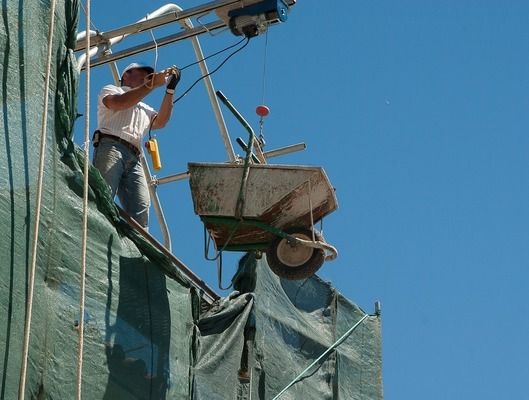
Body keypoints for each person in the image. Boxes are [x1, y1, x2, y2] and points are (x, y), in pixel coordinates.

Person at [93, 62, 180, 228]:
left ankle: (137, 248)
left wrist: (170, 91)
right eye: (141, 73)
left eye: (147, 75)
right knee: (103, 194)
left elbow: (161, 121)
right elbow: (120, 103)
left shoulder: (144, 108)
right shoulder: (112, 90)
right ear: (126, 75)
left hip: (134, 157)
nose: (145, 77)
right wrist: (152, 84)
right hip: (111, 146)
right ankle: (97, 230)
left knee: (141, 210)